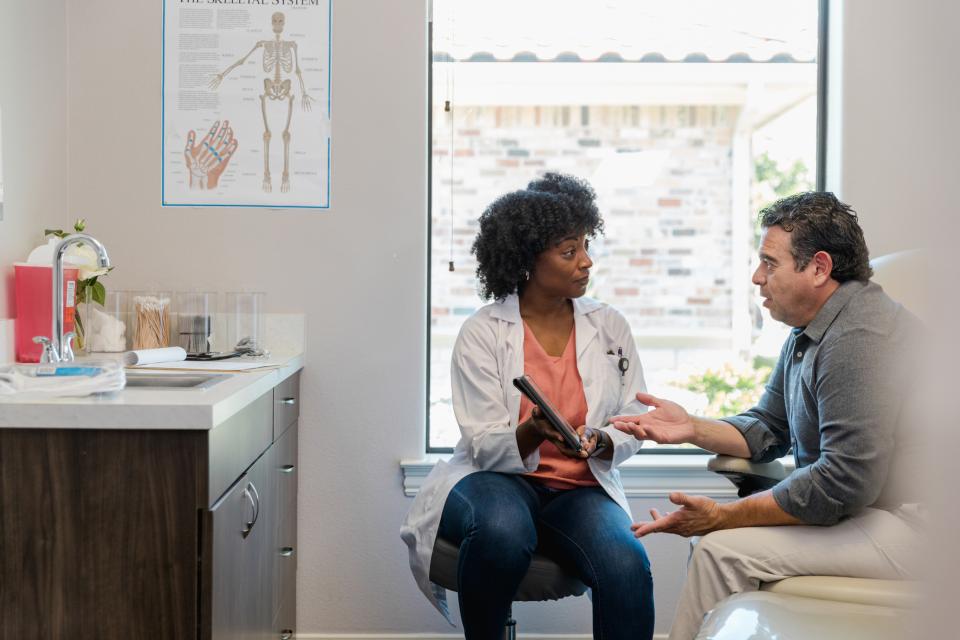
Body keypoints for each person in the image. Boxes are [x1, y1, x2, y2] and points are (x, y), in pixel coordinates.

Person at [611, 192, 923, 640]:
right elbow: (769, 427)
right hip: (877, 512)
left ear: (818, 268)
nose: (758, 278)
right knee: (716, 546)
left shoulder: (858, 337)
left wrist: (724, 516)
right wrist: (691, 428)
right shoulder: (812, 329)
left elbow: (843, 481)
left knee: (721, 551)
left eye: (770, 264)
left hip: (922, 528)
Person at [401, 173, 655, 640]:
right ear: (526, 261)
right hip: (495, 481)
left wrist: (601, 439)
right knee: (501, 532)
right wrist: (533, 430)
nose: (586, 262)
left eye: (585, 246)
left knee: (626, 560)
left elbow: (633, 417)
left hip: (580, 489)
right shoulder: (483, 332)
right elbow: (482, 444)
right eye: (568, 251)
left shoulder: (609, 326)